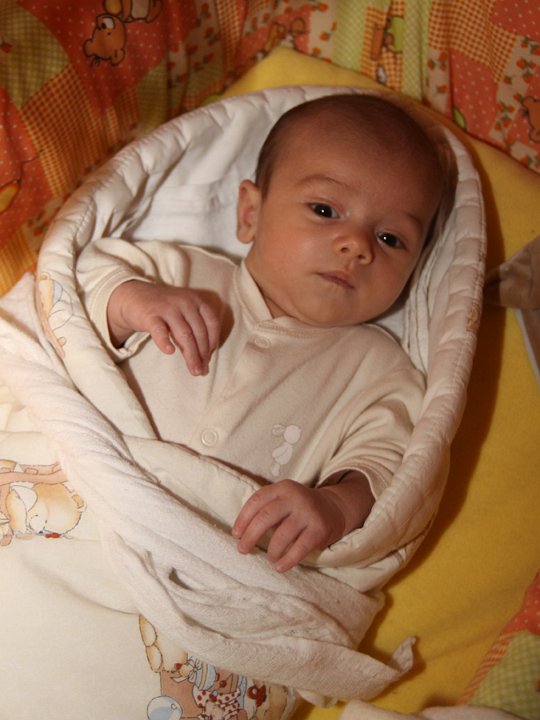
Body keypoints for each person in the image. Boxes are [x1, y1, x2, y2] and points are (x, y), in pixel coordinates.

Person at [78, 93, 449, 576]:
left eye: (390, 238)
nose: (356, 245)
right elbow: (73, 291)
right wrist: (129, 302)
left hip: (209, 565)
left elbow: (391, 465)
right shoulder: (179, 272)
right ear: (250, 214)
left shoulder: (378, 369)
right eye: (325, 210)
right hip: (81, 492)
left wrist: (335, 505)